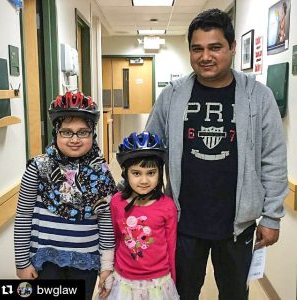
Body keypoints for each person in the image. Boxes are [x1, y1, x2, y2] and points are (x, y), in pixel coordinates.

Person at [146, 8, 288, 300]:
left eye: (215, 47)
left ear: (232, 48)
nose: (205, 56)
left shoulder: (258, 97)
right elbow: (149, 150)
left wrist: (272, 217)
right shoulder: (172, 96)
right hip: (184, 222)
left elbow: (273, 158)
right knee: (181, 293)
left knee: (235, 294)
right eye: (197, 48)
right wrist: (140, 202)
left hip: (238, 225)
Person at [14, 91, 117, 300]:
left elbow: (106, 223)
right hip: (46, 260)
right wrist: (22, 262)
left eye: (83, 132)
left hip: (85, 262)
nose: (75, 139)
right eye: (67, 132)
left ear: (92, 134)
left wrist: (107, 265)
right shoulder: (37, 168)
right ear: (56, 133)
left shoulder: (102, 173)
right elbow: (23, 216)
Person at [100, 131, 179, 300]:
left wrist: (172, 280)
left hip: (158, 283)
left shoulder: (167, 206)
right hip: (124, 282)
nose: (144, 180)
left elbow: (171, 247)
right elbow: (115, 239)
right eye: (136, 173)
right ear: (125, 172)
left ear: (159, 172)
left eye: (151, 173)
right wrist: (109, 272)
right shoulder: (116, 202)